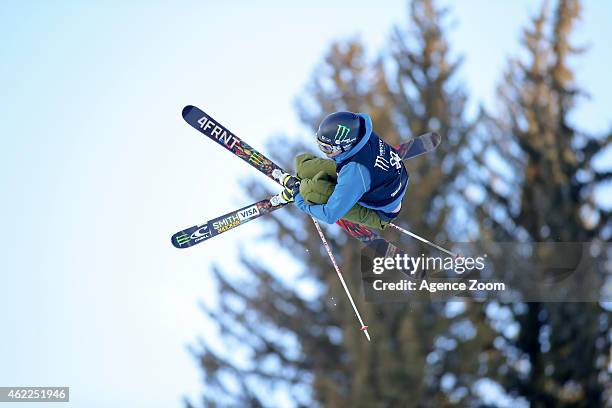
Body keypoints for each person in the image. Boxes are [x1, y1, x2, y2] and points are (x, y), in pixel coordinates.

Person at [273, 111, 408, 230]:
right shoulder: (361, 129)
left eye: (327, 149)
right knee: (303, 166)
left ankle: (303, 188)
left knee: (310, 191)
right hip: (378, 180)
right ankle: (306, 184)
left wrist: (298, 198)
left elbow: (329, 215)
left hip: (379, 212)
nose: (324, 152)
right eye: (320, 145)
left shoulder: (354, 173)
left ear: (346, 145)